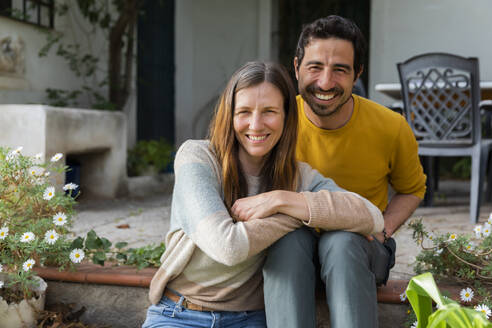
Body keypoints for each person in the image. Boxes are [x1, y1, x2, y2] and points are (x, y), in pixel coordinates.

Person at [142, 61, 384, 328]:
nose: (256, 125)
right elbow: (228, 247)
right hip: (180, 314)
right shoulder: (198, 158)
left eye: (269, 111)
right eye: (244, 112)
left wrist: (279, 199)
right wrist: (297, 214)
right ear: (229, 115)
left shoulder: (296, 177)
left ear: (286, 117)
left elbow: (371, 215)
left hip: (252, 320)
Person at [263, 16, 427, 328]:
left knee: (341, 241)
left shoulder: (390, 126)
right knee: (287, 241)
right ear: (296, 67)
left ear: (357, 74)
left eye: (340, 69)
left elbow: (412, 189)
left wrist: (383, 229)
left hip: (360, 247)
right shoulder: (277, 122)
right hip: (291, 248)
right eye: (314, 67)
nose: (325, 82)